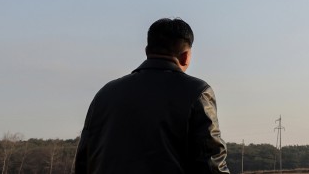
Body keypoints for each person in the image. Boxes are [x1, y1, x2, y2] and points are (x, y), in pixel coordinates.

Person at [73, 18, 230, 174]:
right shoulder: (197, 92)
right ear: (186, 56)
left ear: (147, 51)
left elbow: (83, 161)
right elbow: (211, 164)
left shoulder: (105, 93)